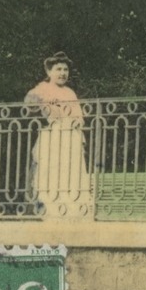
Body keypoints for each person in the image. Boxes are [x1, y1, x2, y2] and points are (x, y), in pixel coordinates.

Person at [25, 52, 95, 217]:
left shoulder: (70, 92)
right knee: (51, 170)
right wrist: (42, 107)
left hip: (71, 136)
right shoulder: (42, 88)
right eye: (58, 69)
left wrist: (77, 121)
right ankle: (50, 209)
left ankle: (73, 209)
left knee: (71, 171)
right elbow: (29, 102)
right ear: (49, 72)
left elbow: (79, 116)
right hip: (53, 135)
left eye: (65, 69)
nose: (63, 73)